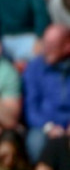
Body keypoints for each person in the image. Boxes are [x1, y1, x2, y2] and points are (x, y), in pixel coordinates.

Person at [23, 24, 70, 161]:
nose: (46, 49)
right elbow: (31, 108)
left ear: (67, 46)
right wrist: (49, 127)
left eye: (52, 45)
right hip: (44, 126)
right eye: (45, 43)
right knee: (36, 142)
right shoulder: (34, 68)